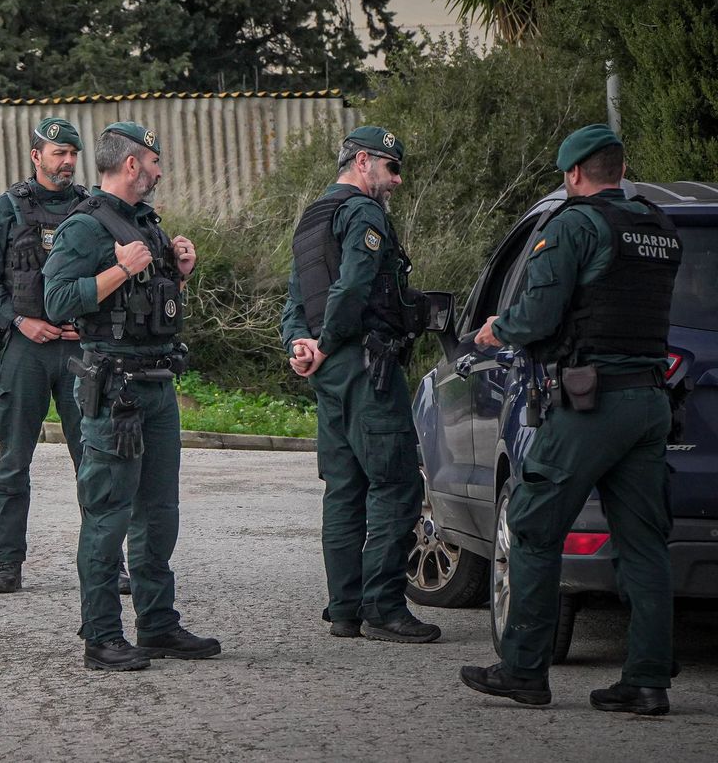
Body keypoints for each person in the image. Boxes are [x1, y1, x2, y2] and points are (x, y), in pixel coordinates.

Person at [461, 124, 680, 715]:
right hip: (651, 401)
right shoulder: (658, 227)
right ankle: (648, 680)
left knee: (532, 527)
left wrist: (495, 329)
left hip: (591, 404)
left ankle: (524, 671)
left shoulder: (572, 224)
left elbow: (537, 315)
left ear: (574, 173)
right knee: (643, 544)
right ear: (622, 169)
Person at [43, 121, 220, 671]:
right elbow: (56, 301)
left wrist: (181, 272)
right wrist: (118, 269)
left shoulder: (148, 223)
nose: (159, 171)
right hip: (113, 389)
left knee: (158, 513)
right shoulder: (86, 227)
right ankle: (100, 636)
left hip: (158, 383)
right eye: (153, 161)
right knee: (108, 514)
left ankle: (157, 626)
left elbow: (153, 303)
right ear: (129, 164)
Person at [280, 126, 441, 644]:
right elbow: (351, 286)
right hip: (364, 364)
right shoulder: (363, 212)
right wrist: (325, 343)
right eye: (391, 168)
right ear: (364, 161)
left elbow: (294, 299)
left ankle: (345, 609)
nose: (396, 180)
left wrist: (300, 346)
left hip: (329, 371)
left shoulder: (312, 218)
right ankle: (384, 608)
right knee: (396, 484)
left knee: (345, 488)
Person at [0, 117, 92, 594]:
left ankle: (106, 563)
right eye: (57, 153)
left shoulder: (93, 208)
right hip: (26, 349)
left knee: (96, 460)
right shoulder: (8, 209)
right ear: (37, 156)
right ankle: (8, 564)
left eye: (72, 154)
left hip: (80, 349)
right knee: (14, 460)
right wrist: (21, 321)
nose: (66, 162)